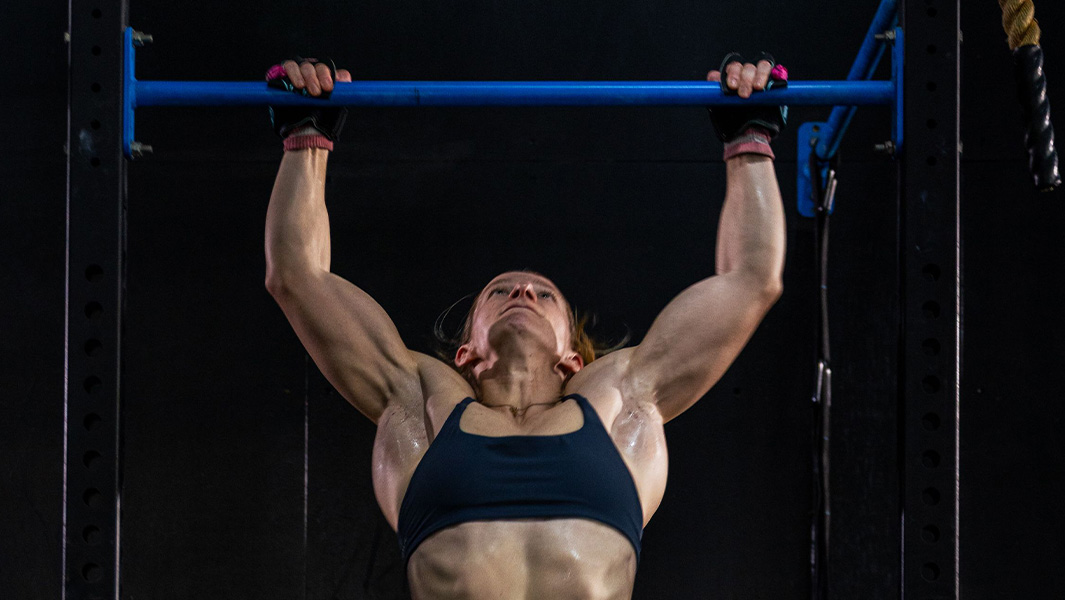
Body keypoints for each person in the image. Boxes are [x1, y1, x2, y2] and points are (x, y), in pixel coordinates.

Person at [264, 54, 786, 600]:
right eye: (500, 291)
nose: (522, 293)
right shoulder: (419, 402)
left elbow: (752, 280)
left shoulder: (622, 398)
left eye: (543, 295)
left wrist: (748, 135)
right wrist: (308, 136)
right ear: (465, 352)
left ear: (573, 358)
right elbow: (297, 277)